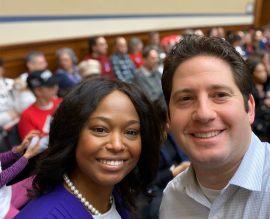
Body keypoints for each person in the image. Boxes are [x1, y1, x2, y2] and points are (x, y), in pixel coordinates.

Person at [159, 36, 270, 218]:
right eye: (185, 98)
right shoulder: (172, 198)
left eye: (220, 94)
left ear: (250, 108)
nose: (204, 114)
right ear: (169, 119)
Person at [16, 78, 163, 218]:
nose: (117, 145)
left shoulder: (115, 196)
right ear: (71, 134)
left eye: (131, 132)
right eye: (100, 129)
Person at [0, 130, 40, 218]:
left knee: (41, 179)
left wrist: (21, 148)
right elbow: (2, 179)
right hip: (2, 211)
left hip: (7, 193)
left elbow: (1, 158)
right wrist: (27, 156)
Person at [18, 70, 62, 141]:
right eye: (51, 86)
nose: (56, 88)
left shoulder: (60, 102)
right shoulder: (27, 116)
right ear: (38, 91)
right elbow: (32, 148)